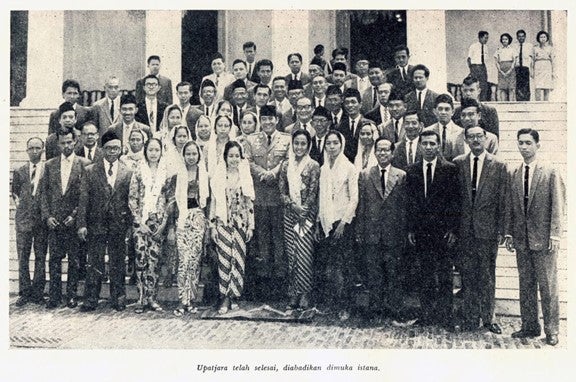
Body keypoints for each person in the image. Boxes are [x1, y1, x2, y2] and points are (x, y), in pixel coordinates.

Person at [505, 128, 565, 346]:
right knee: (526, 285)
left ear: (537, 145)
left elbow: (558, 205)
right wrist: (510, 232)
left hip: (544, 241)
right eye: (520, 142)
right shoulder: (515, 173)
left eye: (528, 143)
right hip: (522, 240)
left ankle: (552, 330)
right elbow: (512, 206)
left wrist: (555, 235)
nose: (523, 147)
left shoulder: (550, 172)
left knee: (548, 287)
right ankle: (530, 326)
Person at [453, 125, 507, 334]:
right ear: (466, 140)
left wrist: (502, 229)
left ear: (486, 139)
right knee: (468, 275)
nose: (475, 140)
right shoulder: (458, 163)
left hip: (488, 230)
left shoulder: (499, 165)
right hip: (465, 229)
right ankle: (470, 317)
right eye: (471, 137)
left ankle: (489, 317)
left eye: (479, 136)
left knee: (487, 274)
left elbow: (503, 199)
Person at [406, 129, 461, 331]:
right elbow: (409, 203)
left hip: (443, 232)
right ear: (420, 146)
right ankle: (426, 314)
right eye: (425, 144)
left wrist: (454, 230)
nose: (428, 147)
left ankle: (446, 315)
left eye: (432, 144)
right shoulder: (412, 170)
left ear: (439, 146)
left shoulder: (450, 169)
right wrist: (411, 229)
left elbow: (456, 202)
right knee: (425, 274)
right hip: (421, 232)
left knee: (445, 274)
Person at [78, 130, 133, 312]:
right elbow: (84, 199)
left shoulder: (128, 172)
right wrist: (82, 224)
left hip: (118, 223)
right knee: (95, 261)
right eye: (109, 148)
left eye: (116, 148)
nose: (112, 152)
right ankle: (91, 298)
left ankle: (118, 297)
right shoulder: (91, 171)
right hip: (96, 223)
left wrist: (129, 225)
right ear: (102, 149)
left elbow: (130, 200)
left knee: (117, 262)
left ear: (121, 150)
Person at [41, 115, 92, 310]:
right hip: (55, 221)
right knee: (54, 260)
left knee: (74, 261)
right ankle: (54, 296)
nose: (67, 146)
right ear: (58, 144)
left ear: (75, 141)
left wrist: (76, 215)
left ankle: (71, 296)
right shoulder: (49, 165)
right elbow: (44, 194)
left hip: (73, 221)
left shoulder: (84, 164)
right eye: (63, 143)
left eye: (70, 142)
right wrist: (48, 217)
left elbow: (86, 196)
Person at [357, 137, 407, 321]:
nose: (383, 153)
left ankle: (394, 309)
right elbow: (361, 206)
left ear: (392, 153)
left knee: (394, 273)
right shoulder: (365, 175)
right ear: (375, 152)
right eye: (379, 150)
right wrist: (360, 232)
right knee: (374, 273)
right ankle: (375, 309)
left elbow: (404, 208)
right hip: (372, 233)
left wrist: (403, 233)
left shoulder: (401, 176)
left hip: (393, 234)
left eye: (386, 150)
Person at [244, 105, 291, 300]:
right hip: (260, 198)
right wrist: (262, 173)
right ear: (260, 121)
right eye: (264, 119)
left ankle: (279, 284)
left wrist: (274, 173)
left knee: (279, 242)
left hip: (278, 199)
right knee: (262, 242)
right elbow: (248, 162)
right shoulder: (251, 139)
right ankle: (264, 285)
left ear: (277, 120)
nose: (268, 122)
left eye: (271, 119)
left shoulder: (286, 140)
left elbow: (287, 161)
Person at [128, 138, 176, 313]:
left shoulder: (166, 174)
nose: (154, 153)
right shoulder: (139, 171)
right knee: (141, 260)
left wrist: (163, 223)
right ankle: (140, 299)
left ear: (161, 152)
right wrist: (139, 222)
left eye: (157, 150)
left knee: (154, 261)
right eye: (150, 150)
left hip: (158, 223)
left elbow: (170, 201)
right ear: (145, 152)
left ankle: (152, 298)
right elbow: (132, 199)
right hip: (140, 223)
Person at [316, 130, 358, 320]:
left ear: (341, 145)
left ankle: (345, 306)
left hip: (343, 223)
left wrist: (344, 222)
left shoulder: (349, 168)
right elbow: (322, 199)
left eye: (335, 143)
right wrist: (319, 222)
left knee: (344, 266)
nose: (331, 147)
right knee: (330, 267)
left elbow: (354, 198)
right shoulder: (324, 169)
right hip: (327, 222)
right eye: (328, 144)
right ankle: (333, 304)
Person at [209, 141, 255, 314]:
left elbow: (250, 202)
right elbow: (214, 202)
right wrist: (212, 226)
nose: (234, 159)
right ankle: (225, 298)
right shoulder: (219, 176)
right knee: (225, 261)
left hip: (241, 224)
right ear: (225, 157)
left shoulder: (245, 175)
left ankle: (234, 296)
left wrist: (251, 226)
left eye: (237, 156)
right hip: (223, 223)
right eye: (231, 156)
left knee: (238, 260)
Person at [278, 130, 320, 310]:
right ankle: (293, 293)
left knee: (304, 254)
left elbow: (313, 191)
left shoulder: (313, 165)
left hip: (306, 216)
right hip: (289, 214)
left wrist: (303, 210)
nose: (299, 147)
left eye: (303, 143)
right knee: (292, 254)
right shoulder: (285, 165)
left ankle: (305, 293)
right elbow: (282, 191)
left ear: (308, 145)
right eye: (296, 143)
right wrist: (291, 205)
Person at [12, 137, 48, 306]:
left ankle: (38, 292)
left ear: (43, 150)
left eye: (38, 148)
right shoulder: (19, 171)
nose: (35, 151)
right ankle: (25, 292)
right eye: (31, 148)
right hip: (24, 221)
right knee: (23, 257)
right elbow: (16, 194)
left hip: (41, 221)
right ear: (27, 151)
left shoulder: (48, 169)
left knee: (41, 256)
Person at [337, 88, 374, 162]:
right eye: (347, 103)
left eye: (353, 102)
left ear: (360, 104)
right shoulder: (340, 126)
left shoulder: (369, 124)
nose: (350, 105)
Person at [424, 94, 463, 160]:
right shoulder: (427, 131)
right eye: (440, 109)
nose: (443, 112)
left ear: (453, 112)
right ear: (434, 111)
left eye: (447, 109)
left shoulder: (461, 132)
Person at [531, 31, 555, 101]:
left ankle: (546, 103)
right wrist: (532, 70)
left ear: (547, 38)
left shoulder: (550, 48)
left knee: (546, 86)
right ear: (538, 38)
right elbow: (532, 60)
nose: (543, 39)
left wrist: (553, 72)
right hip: (538, 66)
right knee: (538, 86)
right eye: (541, 37)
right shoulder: (535, 48)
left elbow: (553, 61)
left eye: (544, 37)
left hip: (547, 67)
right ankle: (537, 104)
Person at [494, 33, 517, 101]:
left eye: (506, 39)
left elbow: (514, 61)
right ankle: (503, 103)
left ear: (509, 40)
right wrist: (500, 70)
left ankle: (511, 104)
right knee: (502, 87)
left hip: (510, 70)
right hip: (501, 70)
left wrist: (510, 70)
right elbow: (496, 61)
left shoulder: (512, 49)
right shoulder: (498, 50)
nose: (504, 41)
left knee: (511, 87)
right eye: (503, 39)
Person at [467, 31, 490, 101]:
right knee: (474, 85)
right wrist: (471, 69)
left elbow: (486, 59)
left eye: (487, 38)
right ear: (480, 37)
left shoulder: (486, 47)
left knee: (483, 85)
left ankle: (483, 101)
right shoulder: (473, 46)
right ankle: (474, 101)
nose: (486, 40)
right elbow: (469, 59)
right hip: (475, 67)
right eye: (485, 38)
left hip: (482, 67)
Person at [515, 30, 532, 101]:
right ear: (517, 37)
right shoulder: (514, 46)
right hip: (517, 68)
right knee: (518, 85)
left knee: (526, 85)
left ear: (525, 37)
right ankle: (519, 101)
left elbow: (531, 58)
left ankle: (526, 101)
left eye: (522, 36)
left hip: (525, 68)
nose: (521, 38)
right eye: (519, 36)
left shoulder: (529, 46)